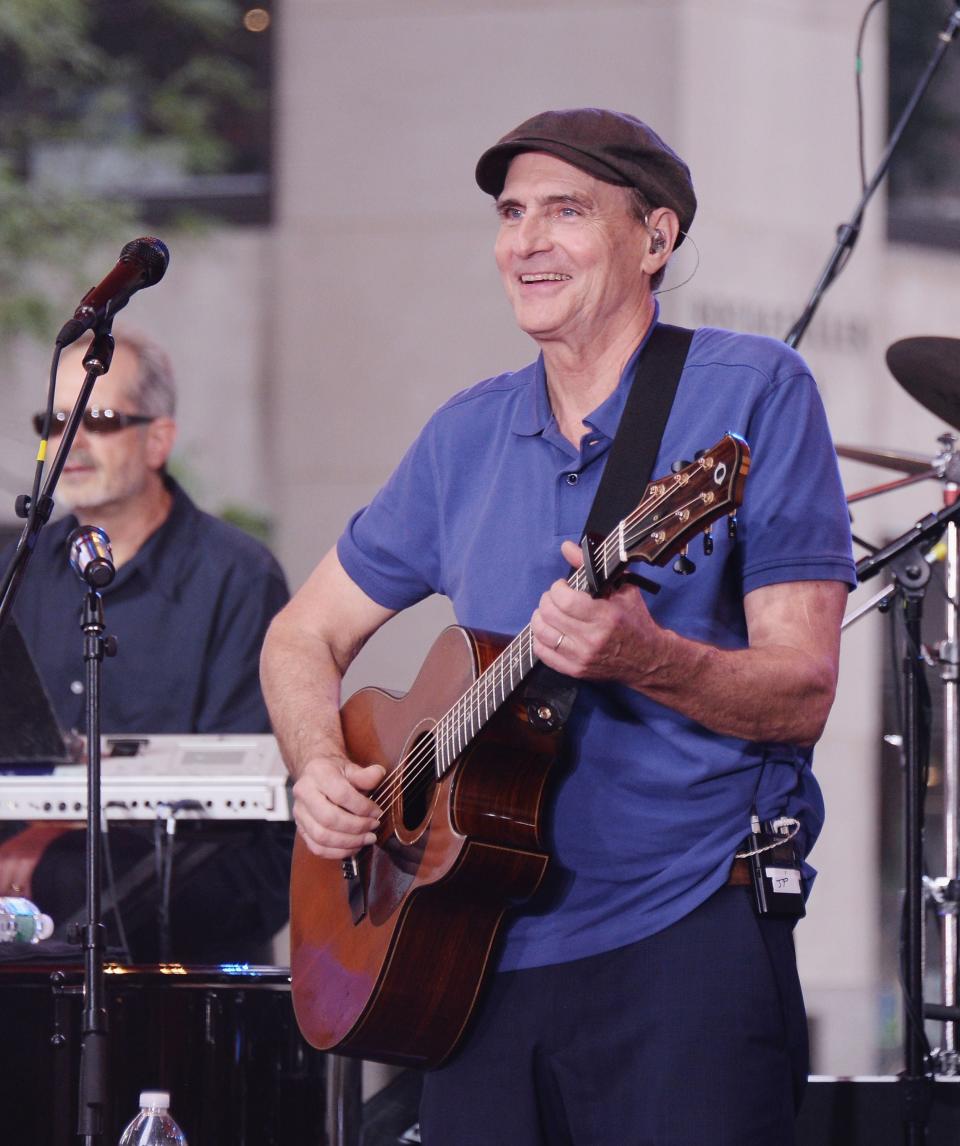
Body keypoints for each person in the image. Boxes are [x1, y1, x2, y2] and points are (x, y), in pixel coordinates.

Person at [260, 108, 856, 1144]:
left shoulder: (751, 393)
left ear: (656, 239)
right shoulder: (466, 434)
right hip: (468, 953)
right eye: (511, 214)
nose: (527, 242)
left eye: (566, 212)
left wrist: (650, 657)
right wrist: (318, 764)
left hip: (681, 935)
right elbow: (299, 637)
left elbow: (803, 690)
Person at [0, 330, 292, 963]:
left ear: (158, 439)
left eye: (97, 419)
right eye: (56, 420)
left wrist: (61, 830)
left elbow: (237, 801)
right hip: (28, 883)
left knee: (70, 876)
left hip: (187, 873)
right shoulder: (14, 575)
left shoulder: (237, 576)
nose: (70, 440)